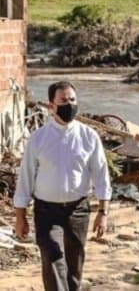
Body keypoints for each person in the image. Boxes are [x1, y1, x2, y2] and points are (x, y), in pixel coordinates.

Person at [13, 81, 112, 291]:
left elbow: (101, 174)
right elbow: (26, 178)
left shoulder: (88, 137)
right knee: (51, 256)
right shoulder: (38, 139)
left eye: (73, 100)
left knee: (74, 267)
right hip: (46, 211)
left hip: (78, 210)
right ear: (51, 106)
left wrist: (103, 212)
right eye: (64, 100)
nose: (69, 104)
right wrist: (20, 216)